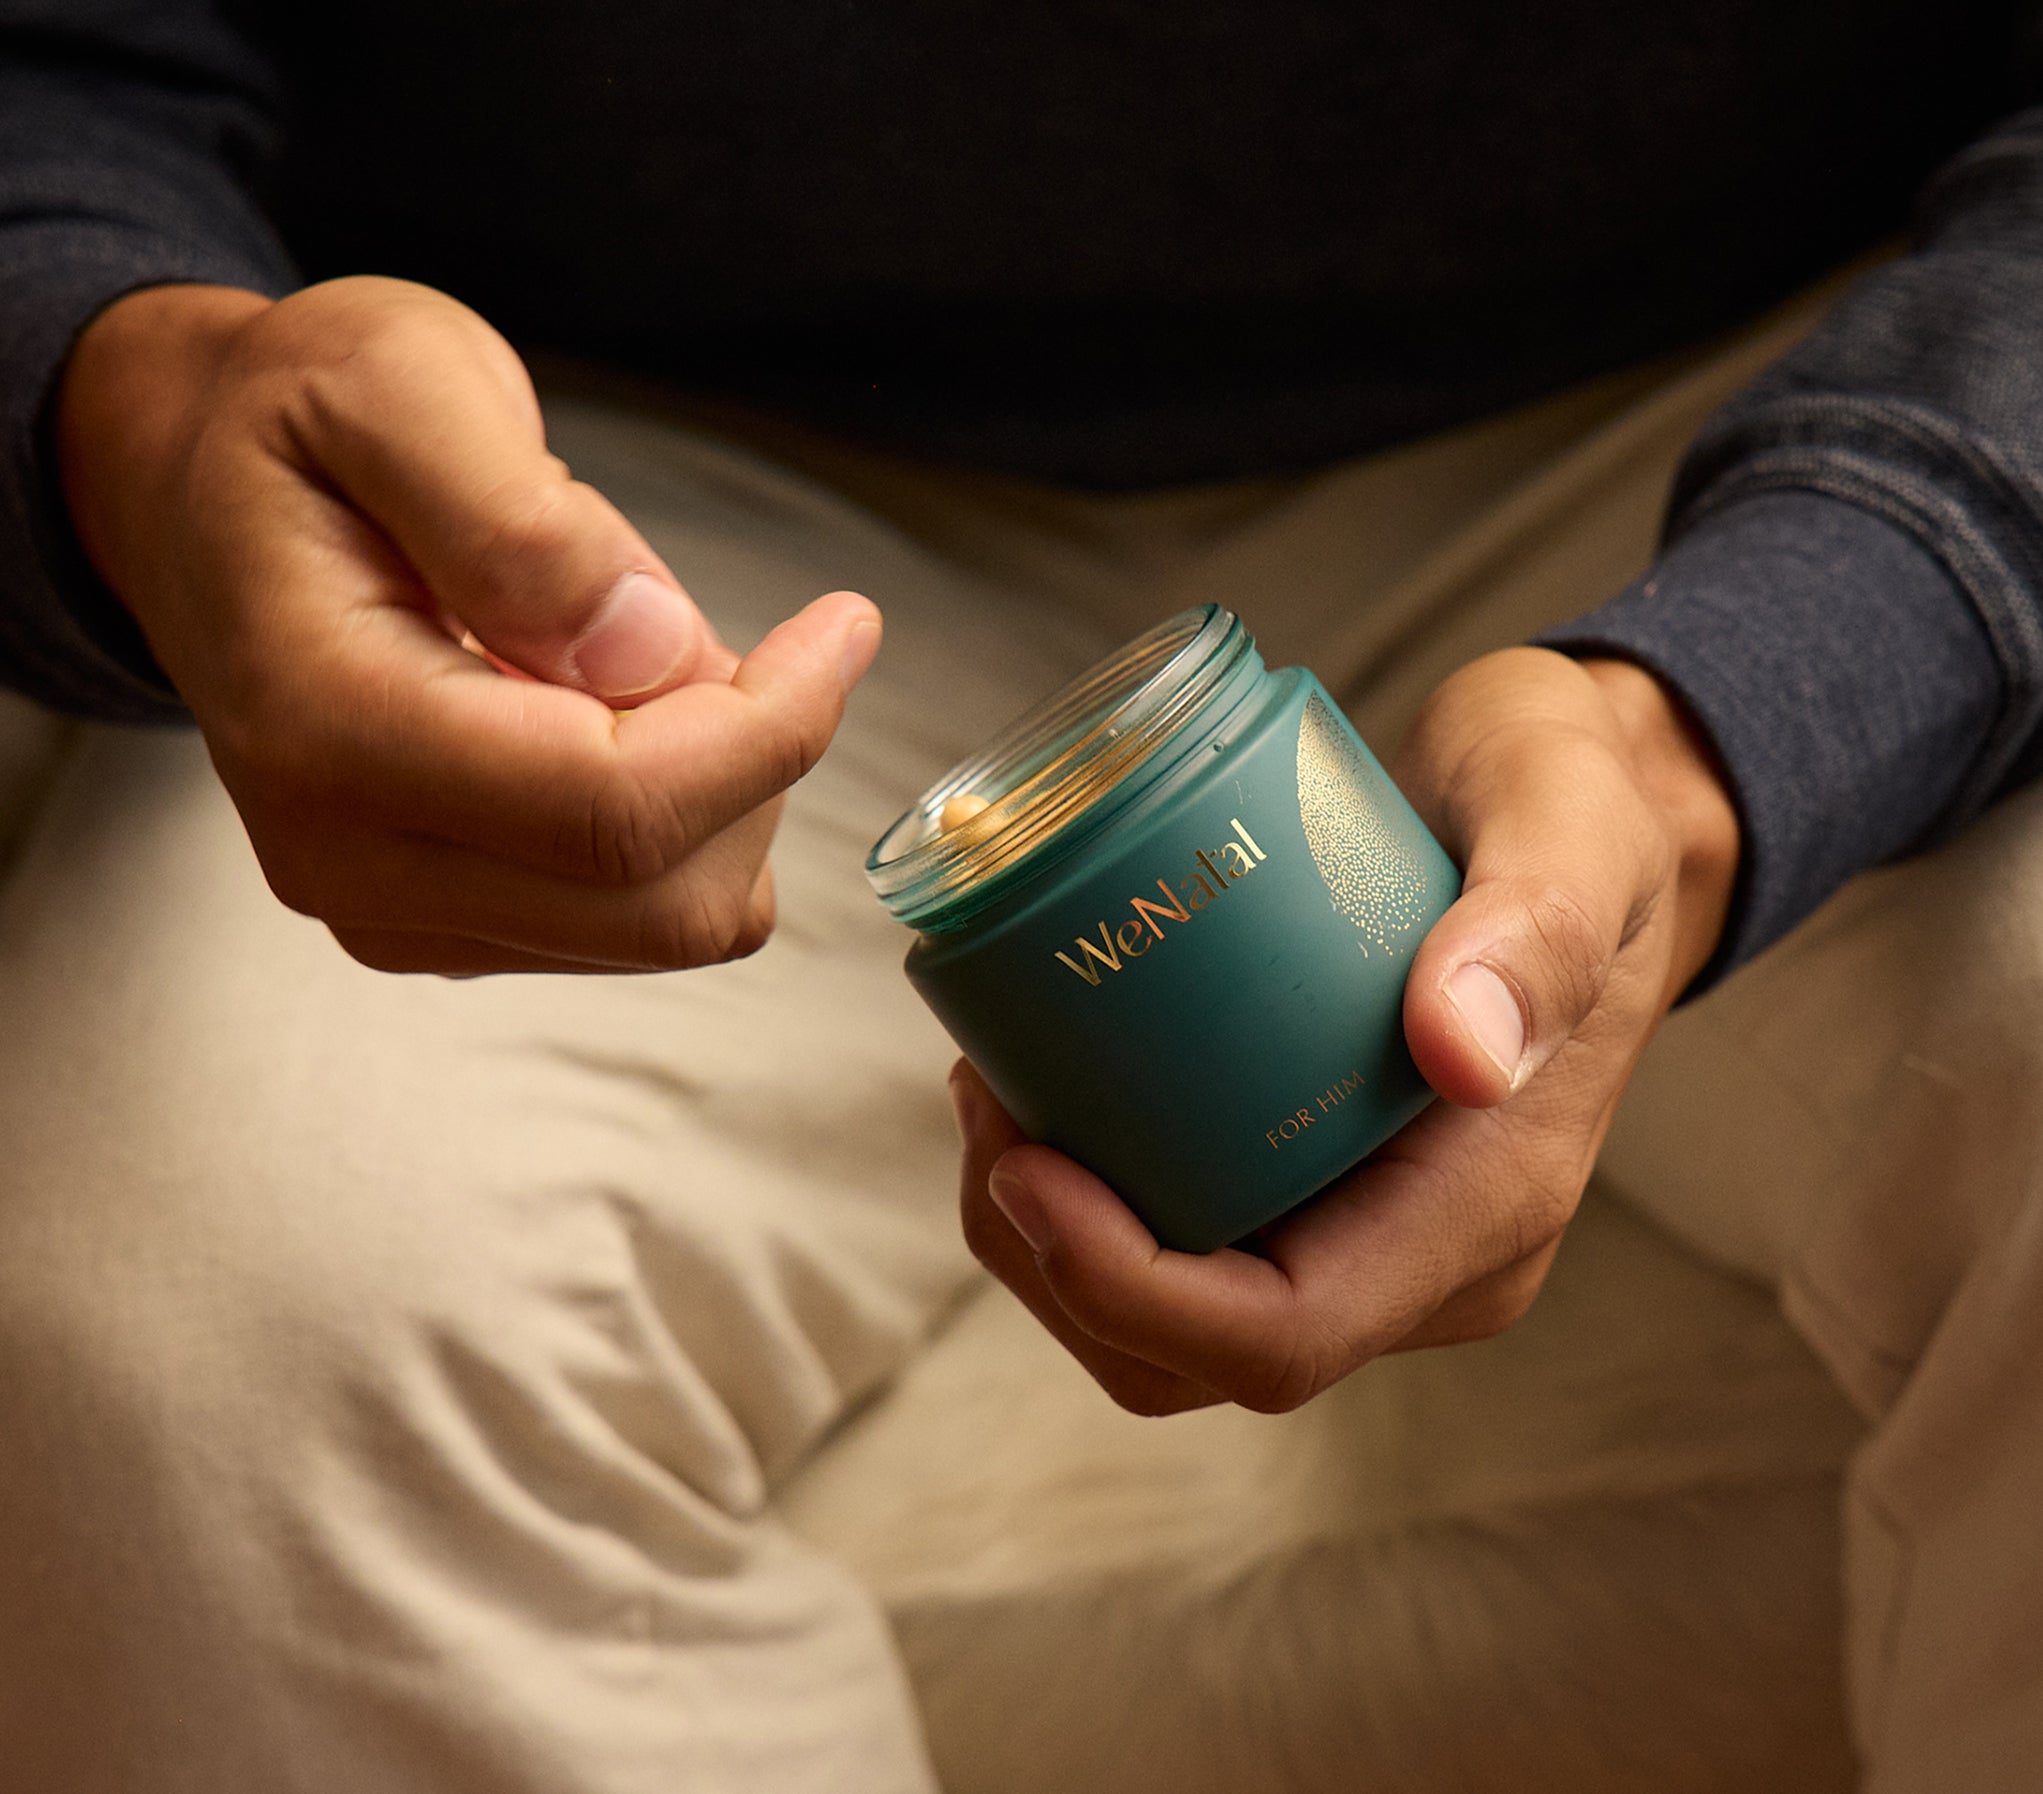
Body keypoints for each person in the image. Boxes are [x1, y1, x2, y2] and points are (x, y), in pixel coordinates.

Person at [0, 3, 2039, 1788]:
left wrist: (1745, 707)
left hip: (1775, 378)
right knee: (182, 1341)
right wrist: (149, 412)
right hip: (577, 467)